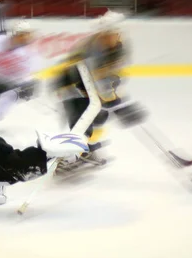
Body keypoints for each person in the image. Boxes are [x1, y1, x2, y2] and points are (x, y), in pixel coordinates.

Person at [52, 11, 146, 171]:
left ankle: (87, 150)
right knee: (82, 122)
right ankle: (68, 158)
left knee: (101, 116)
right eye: (108, 34)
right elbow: (92, 79)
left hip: (91, 86)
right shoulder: (89, 49)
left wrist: (119, 99)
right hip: (72, 86)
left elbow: (115, 73)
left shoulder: (119, 46)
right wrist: (116, 102)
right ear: (102, 33)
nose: (113, 37)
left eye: (115, 34)